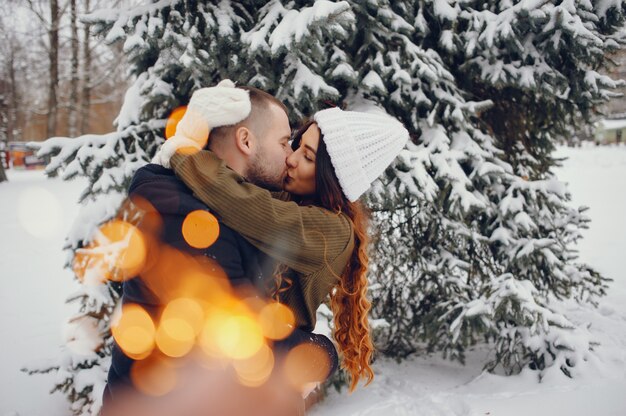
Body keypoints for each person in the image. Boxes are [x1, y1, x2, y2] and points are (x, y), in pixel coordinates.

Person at [101, 81, 338, 414]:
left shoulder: (223, 207)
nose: (290, 157)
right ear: (245, 141)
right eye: (285, 142)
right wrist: (323, 353)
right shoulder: (186, 219)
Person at [156, 82, 409, 393]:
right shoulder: (291, 201)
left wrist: (185, 152)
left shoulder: (332, 231)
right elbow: (239, 171)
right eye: (296, 144)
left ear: (330, 177)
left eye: (308, 156)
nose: (290, 158)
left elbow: (244, 203)